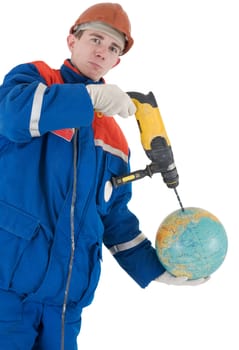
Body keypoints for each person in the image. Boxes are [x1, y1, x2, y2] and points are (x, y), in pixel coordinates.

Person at [0, 3, 208, 349]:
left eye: (113, 48)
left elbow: (113, 218)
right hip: (7, 293)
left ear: (117, 61)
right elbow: (11, 117)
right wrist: (88, 97)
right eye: (95, 39)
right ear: (72, 40)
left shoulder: (114, 137)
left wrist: (155, 268)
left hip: (66, 305)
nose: (102, 51)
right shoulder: (34, 79)